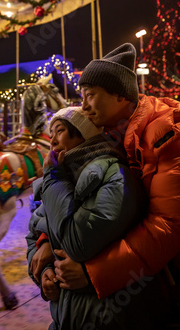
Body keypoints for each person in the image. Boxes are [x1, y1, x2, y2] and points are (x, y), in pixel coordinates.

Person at [30, 43, 180, 328]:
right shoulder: (106, 138)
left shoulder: (166, 135)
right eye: (82, 96)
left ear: (121, 95)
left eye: (91, 96)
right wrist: (47, 240)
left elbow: (168, 227)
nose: (84, 106)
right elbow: (71, 204)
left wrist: (93, 272)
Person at [26, 105, 149, 329]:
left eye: (59, 131)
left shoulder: (115, 175)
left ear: (83, 134)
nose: (51, 141)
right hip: (66, 316)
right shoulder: (63, 178)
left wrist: (53, 176)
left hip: (106, 316)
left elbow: (77, 243)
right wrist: (45, 271)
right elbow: (34, 233)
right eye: (50, 133)